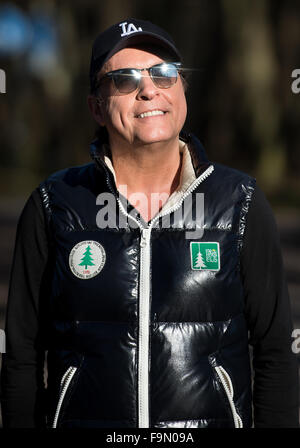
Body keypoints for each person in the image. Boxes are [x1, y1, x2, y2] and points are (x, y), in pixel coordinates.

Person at [0, 18, 299, 429]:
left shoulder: (240, 202)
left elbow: (276, 351)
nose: (148, 89)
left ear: (182, 91)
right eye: (124, 79)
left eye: (164, 73)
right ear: (96, 106)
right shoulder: (55, 203)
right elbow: (21, 354)